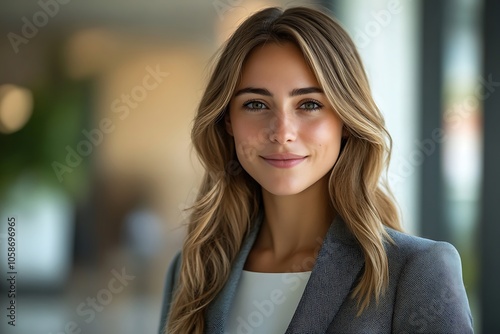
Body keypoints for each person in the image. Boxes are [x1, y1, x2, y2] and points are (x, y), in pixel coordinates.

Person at [158, 6, 473, 334]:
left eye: (309, 104)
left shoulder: (415, 270)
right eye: (255, 104)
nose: (282, 132)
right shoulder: (191, 273)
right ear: (228, 122)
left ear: (346, 122)